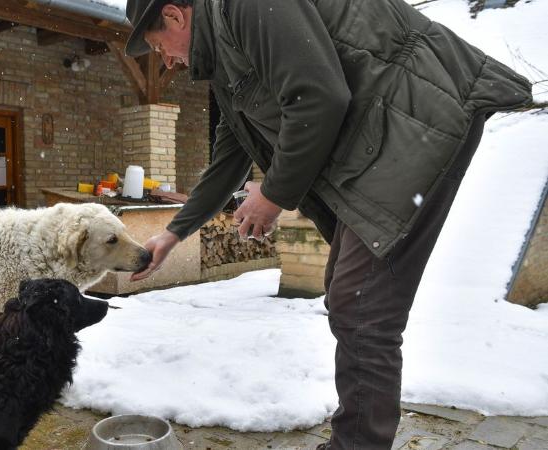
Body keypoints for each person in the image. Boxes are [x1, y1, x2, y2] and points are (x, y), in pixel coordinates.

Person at [124, 0, 533, 447]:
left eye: (158, 47)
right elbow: (230, 154)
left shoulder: (245, 6)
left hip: (418, 120)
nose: (166, 62)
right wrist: (174, 231)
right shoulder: (224, 56)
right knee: (353, 299)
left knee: (362, 309)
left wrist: (275, 195)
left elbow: (319, 95)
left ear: (174, 16)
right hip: (387, 138)